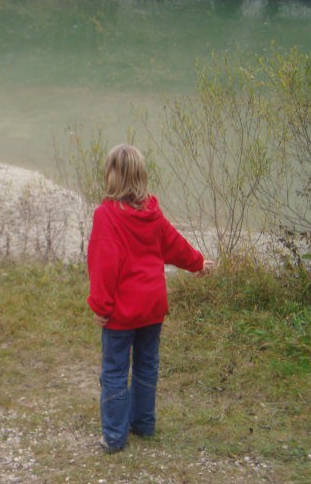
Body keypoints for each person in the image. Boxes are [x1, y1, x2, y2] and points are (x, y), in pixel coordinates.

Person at [87, 143, 214, 454]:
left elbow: (103, 265)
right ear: (141, 176)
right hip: (152, 307)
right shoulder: (152, 213)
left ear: (111, 177)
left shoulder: (106, 216)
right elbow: (175, 245)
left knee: (115, 371)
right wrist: (197, 262)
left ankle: (115, 437)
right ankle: (143, 424)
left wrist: (101, 307)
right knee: (146, 366)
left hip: (121, 312)